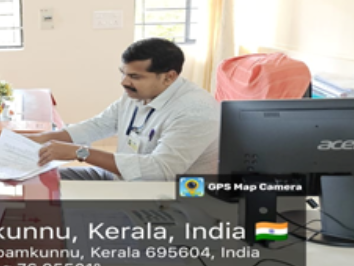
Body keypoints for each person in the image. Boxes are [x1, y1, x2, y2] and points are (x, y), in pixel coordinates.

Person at [27, 38, 219, 181]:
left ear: (169, 77)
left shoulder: (195, 111)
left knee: (55, 203)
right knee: (38, 180)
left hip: (165, 195)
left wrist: (81, 153)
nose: (124, 82)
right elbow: (99, 125)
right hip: (122, 178)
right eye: (123, 73)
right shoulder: (137, 93)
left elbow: (160, 170)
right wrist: (41, 138)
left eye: (135, 76)